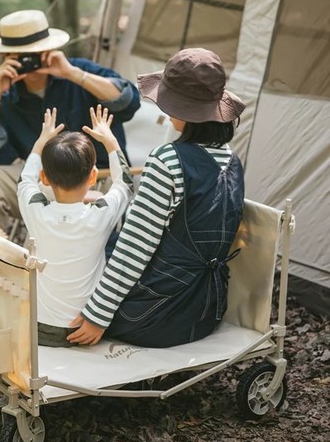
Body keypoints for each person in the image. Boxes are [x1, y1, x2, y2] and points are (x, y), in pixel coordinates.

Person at [67, 47, 246, 347]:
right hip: (206, 309)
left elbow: (135, 246)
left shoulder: (168, 160)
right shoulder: (233, 161)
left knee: (87, 249)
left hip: (155, 315)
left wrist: (98, 316)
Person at [0, 9, 140, 229]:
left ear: (50, 49)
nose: (30, 62)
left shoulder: (79, 71)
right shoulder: (8, 96)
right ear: (5, 58)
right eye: (21, 57)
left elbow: (129, 101)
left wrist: (73, 74)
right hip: (44, 183)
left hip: (97, 181)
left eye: (35, 54)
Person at [17, 105, 134, 347]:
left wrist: (41, 142)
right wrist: (110, 140)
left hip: (38, 328)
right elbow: (125, 182)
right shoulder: (100, 216)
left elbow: (25, 179)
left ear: (45, 179)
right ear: (93, 178)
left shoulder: (36, 211)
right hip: (86, 326)